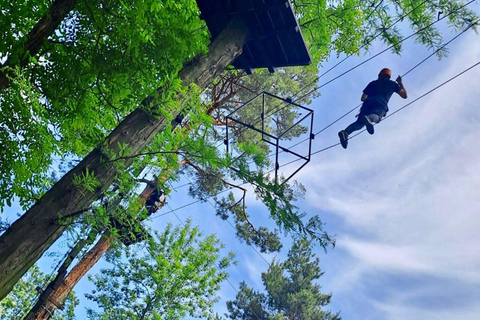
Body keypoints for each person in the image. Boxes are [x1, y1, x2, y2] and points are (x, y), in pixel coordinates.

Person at [338, 68, 407, 149]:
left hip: (367, 103)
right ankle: (368, 118)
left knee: (359, 124)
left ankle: (345, 132)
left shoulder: (372, 83)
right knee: (377, 117)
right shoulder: (392, 84)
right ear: (389, 77)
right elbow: (404, 95)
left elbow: (362, 98)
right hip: (381, 104)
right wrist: (400, 83)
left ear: (379, 75)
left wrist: (370, 99)